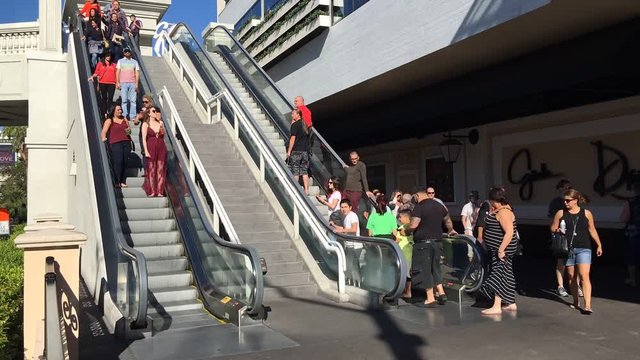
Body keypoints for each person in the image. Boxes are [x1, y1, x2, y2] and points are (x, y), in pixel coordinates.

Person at [551, 189, 603, 314]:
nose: (565, 202)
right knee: (571, 276)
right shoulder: (560, 213)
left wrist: (599, 244)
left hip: (584, 247)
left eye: (568, 200)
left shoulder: (586, 213)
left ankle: (587, 304)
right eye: (564, 200)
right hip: (567, 248)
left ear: (575, 201)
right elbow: (552, 227)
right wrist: (557, 230)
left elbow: (592, 230)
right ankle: (575, 301)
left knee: (584, 276)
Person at [407, 186, 456, 307]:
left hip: (423, 243)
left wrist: (406, 231)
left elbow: (414, 224)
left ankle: (430, 298)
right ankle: (442, 293)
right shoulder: (439, 205)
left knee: (425, 269)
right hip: (438, 241)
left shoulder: (419, 207)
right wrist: (450, 230)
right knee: (436, 267)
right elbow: (448, 221)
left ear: (418, 196)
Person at [478, 187, 519, 315]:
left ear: (494, 200)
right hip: (499, 248)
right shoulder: (499, 210)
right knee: (506, 273)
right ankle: (511, 302)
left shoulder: (504, 212)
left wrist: (501, 250)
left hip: (502, 249)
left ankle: (496, 305)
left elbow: (509, 232)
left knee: (498, 274)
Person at [548, 179, 575, 297]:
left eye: (569, 187)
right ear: (560, 189)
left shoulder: (574, 201)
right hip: (560, 234)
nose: (568, 190)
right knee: (561, 260)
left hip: (573, 234)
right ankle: (560, 286)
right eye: (565, 188)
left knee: (574, 261)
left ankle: (575, 285)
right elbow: (552, 220)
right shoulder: (555, 203)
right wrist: (556, 231)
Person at [331, 199, 362, 286]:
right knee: (350, 264)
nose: (343, 209)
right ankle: (352, 282)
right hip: (349, 245)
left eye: (345, 207)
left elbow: (354, 229)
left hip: (355, 245)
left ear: (350, 207)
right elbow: (345, 229)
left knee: (353, 265)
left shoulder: (353, 216)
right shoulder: (346, 217)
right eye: (342, 207)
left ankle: (356, 283)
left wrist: (341, 231)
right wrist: (334, 226)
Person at [100, 104, 131, 188]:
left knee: (125, 161)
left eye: (120, 109)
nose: (120, 111)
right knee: (118, 161)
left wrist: (129, 131)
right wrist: (104, 138)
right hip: (115, 143)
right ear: (113, 111)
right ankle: (117, 181)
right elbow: (103, 131)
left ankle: (123, 181)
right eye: (118, 110)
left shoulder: (124, 119)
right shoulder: (109, 120)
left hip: (126, 142)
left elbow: (128, 132)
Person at [142, 107, 167, 197]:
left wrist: (161, 125)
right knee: (152, 169)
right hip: (151, 146)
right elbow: (144, 139)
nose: (155, 112)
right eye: (153, 111)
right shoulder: (145, 124)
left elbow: (163, 135)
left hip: (161, 146)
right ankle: (152, 191)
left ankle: (160, 191)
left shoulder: (160, 122)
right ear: (149, 113)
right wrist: (146, 151)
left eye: (156, 111)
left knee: (160, 169)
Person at [286, 109, 310, 194]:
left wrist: (289, 151)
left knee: (295, 170)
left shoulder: (295, 125)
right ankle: (306, 190)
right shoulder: (305, 124)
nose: (291, 115)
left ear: (298, 115)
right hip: (304, 152)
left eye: (293, 114)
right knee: (304, 171)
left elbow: (293, 139)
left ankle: (296, 189)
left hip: (296, 151)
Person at [620, 180, 640, 287]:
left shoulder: (630, 202)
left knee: (631, 257)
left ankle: (632, 279)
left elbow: (624, 218)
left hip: (633, 232)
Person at [89, 53, 117, 120]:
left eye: (110, 56)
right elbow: (97, 72)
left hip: (112, 83)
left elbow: (117, 74)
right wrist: (92, 76)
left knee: (110, 98)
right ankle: (104, 112)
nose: (109, 57)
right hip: (102, 82)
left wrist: (117, 82)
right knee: (104, 98)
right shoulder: (100, 64)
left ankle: (109, 111)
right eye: (107, 56)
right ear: (104, 57)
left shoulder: (114, 65)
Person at [116, 47, 140, 122]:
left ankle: (132, 116)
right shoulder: (120, 61)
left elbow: (137, 73)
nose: (127, 53)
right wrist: (117, 82)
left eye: (128, 51)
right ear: (123, 53)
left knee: (133, 100)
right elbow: (117, 72)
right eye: (125, 51)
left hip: (132, 83)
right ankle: (124, 115)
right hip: (123, 83)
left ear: (130, 52)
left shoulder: (135, 62)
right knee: (124, 100)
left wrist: (136, 83)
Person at [394, 210, 414, 298]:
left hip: (404, 253)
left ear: (406, 218)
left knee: (406, 274)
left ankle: (407, 292)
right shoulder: (412, 227)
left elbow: (397, 240)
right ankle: (407, 291)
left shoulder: (403, 227)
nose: (399, 219)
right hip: (409, 252)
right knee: (407, 273)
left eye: (400, 217)